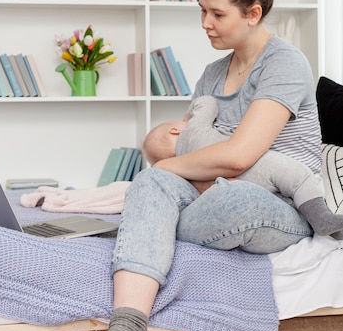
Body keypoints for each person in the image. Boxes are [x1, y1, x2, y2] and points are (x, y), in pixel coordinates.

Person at [73, 0, 322, 331]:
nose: (205, 24)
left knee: (221, 196)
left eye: (217, 14)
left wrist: (169, 167)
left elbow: (240, 155)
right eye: (202, 12)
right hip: (210, 191)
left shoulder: (285, 64)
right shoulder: (212, 73)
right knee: (150, 184)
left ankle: (150, 227)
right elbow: (194, 149)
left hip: (279, 204)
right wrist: (167, 164)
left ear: (253, 14)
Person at [143, 94, 343, 238]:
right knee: (300, 177)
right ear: (175, 130)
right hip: (257, 165)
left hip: (242, 186)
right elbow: (208, 103)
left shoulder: (188, 172)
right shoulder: (193, 129)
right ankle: (321, 217)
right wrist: (190, 116)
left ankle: (297, 208)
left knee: (278, 194)